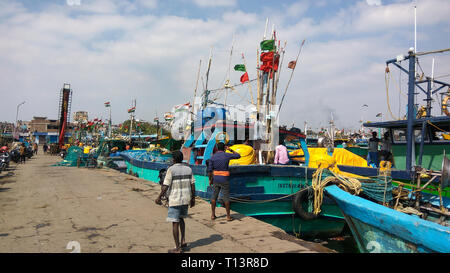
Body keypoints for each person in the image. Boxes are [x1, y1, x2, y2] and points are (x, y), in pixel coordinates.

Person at [155, 151, 195, 253]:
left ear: (174, 159)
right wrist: (193, 198)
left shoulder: (171, 169)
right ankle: (183, 241)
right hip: (186, 199)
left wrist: (159, 197)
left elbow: (165, 186)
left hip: (175, 199)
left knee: (175, 222)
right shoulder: (188, 169)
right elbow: (193, 185)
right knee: (181, 219)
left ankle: (177, 248)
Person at [207, 142, 241, 221]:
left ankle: (212, 215)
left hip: (216, 179)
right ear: (224, 148)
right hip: (225, 178)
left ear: (217, 148)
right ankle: (228, 216)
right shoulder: (227, 155)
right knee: (226, 197)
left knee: (214, 196)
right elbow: (238, 155)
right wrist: (231, 150)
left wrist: (210, 180)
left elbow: (209, 171)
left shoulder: (213, 157)